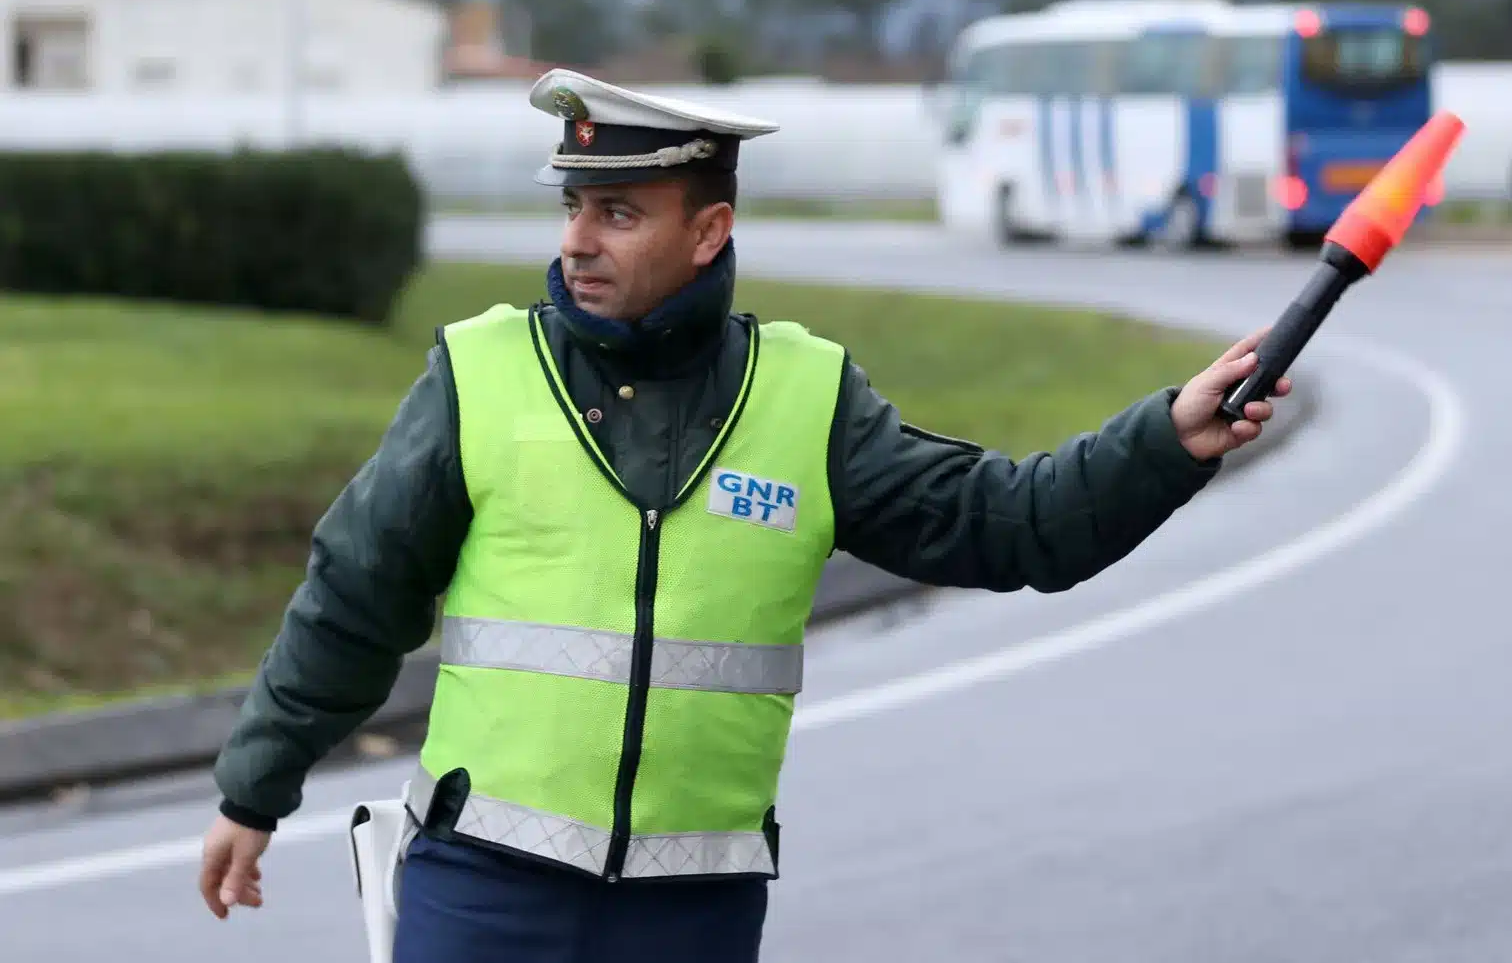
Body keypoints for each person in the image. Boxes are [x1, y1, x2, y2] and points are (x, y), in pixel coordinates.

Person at [195, 68, 1295, 962]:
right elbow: (355, 596)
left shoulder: (808, 399)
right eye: (575, 207)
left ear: (710, 229)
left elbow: (1010, 526)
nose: (579, 240)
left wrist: (1165, 440)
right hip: (483, 895)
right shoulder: (480, 375)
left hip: (693, 915)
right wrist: (256, 788)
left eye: (618, 212)